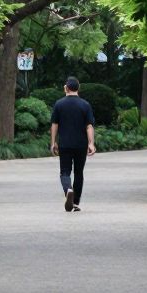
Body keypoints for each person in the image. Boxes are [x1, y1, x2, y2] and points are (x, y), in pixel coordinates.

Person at [49, 76, 96, 211]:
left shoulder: (59, 104)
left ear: (66, 88)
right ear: (78, 88)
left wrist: (53, 142)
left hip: (65, 144)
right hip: (81, 145)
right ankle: (75, 202)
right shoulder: (85, 105)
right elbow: (89, 126)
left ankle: (68, 189)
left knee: (65, 172)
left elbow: (54, 124)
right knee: (79, 172)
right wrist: (91, 143)